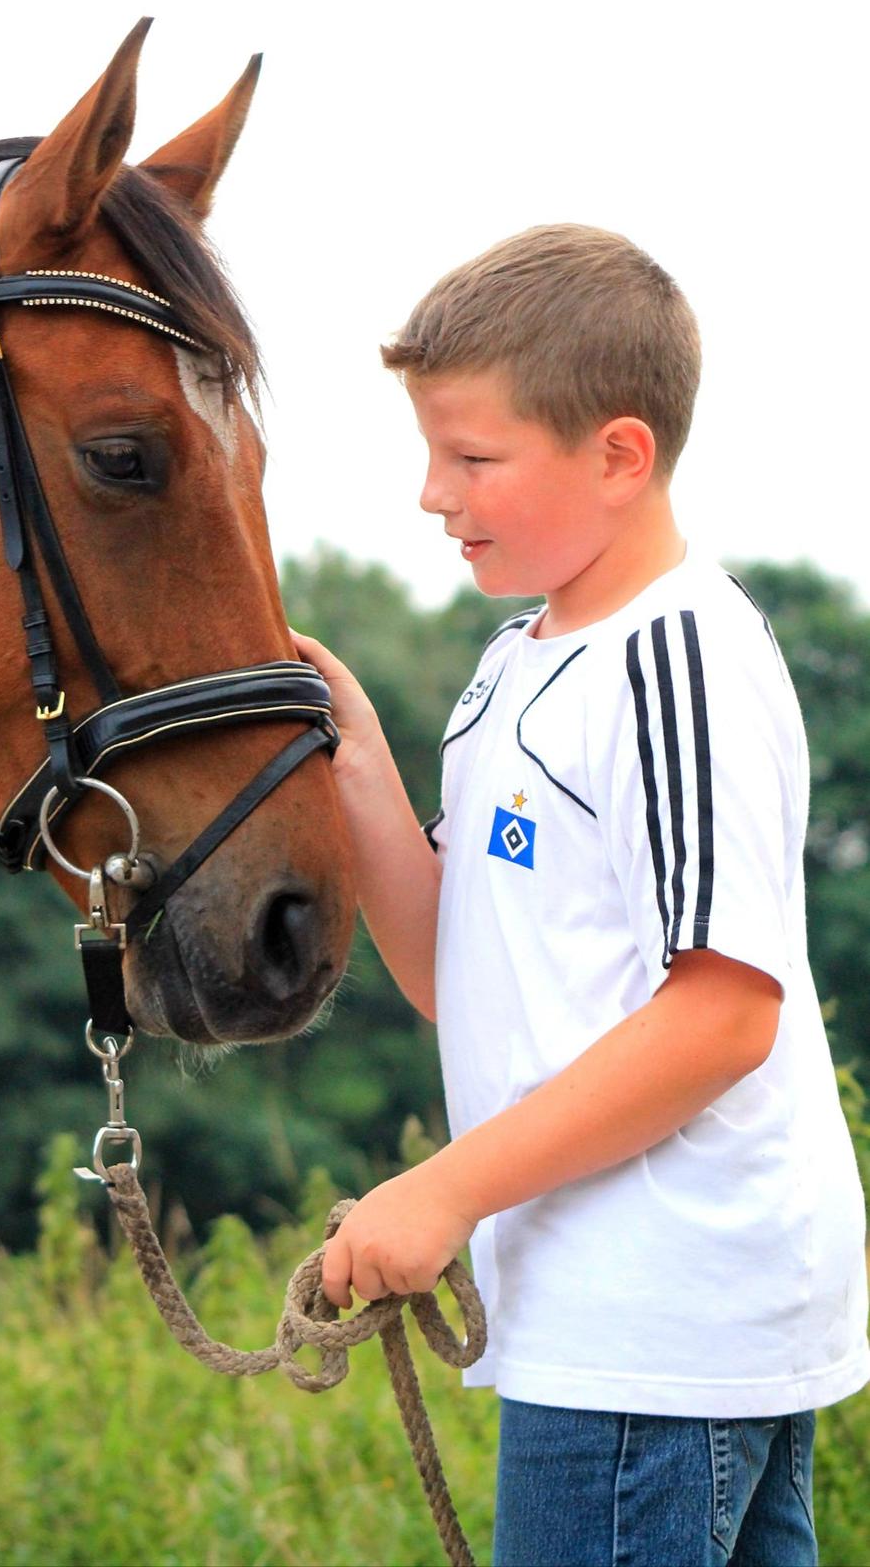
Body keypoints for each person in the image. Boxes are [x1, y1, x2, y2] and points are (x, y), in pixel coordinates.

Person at [291, 224, 869, 1567]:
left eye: (475, 457)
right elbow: (462, 977)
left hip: (659, 1325)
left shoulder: (678, 657)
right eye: (431, 451)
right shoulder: (515, 659)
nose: (435, 493)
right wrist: (360, 756)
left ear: (620, 454)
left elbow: (724, 1015)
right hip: (608, 1321)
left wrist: (442, 1192)